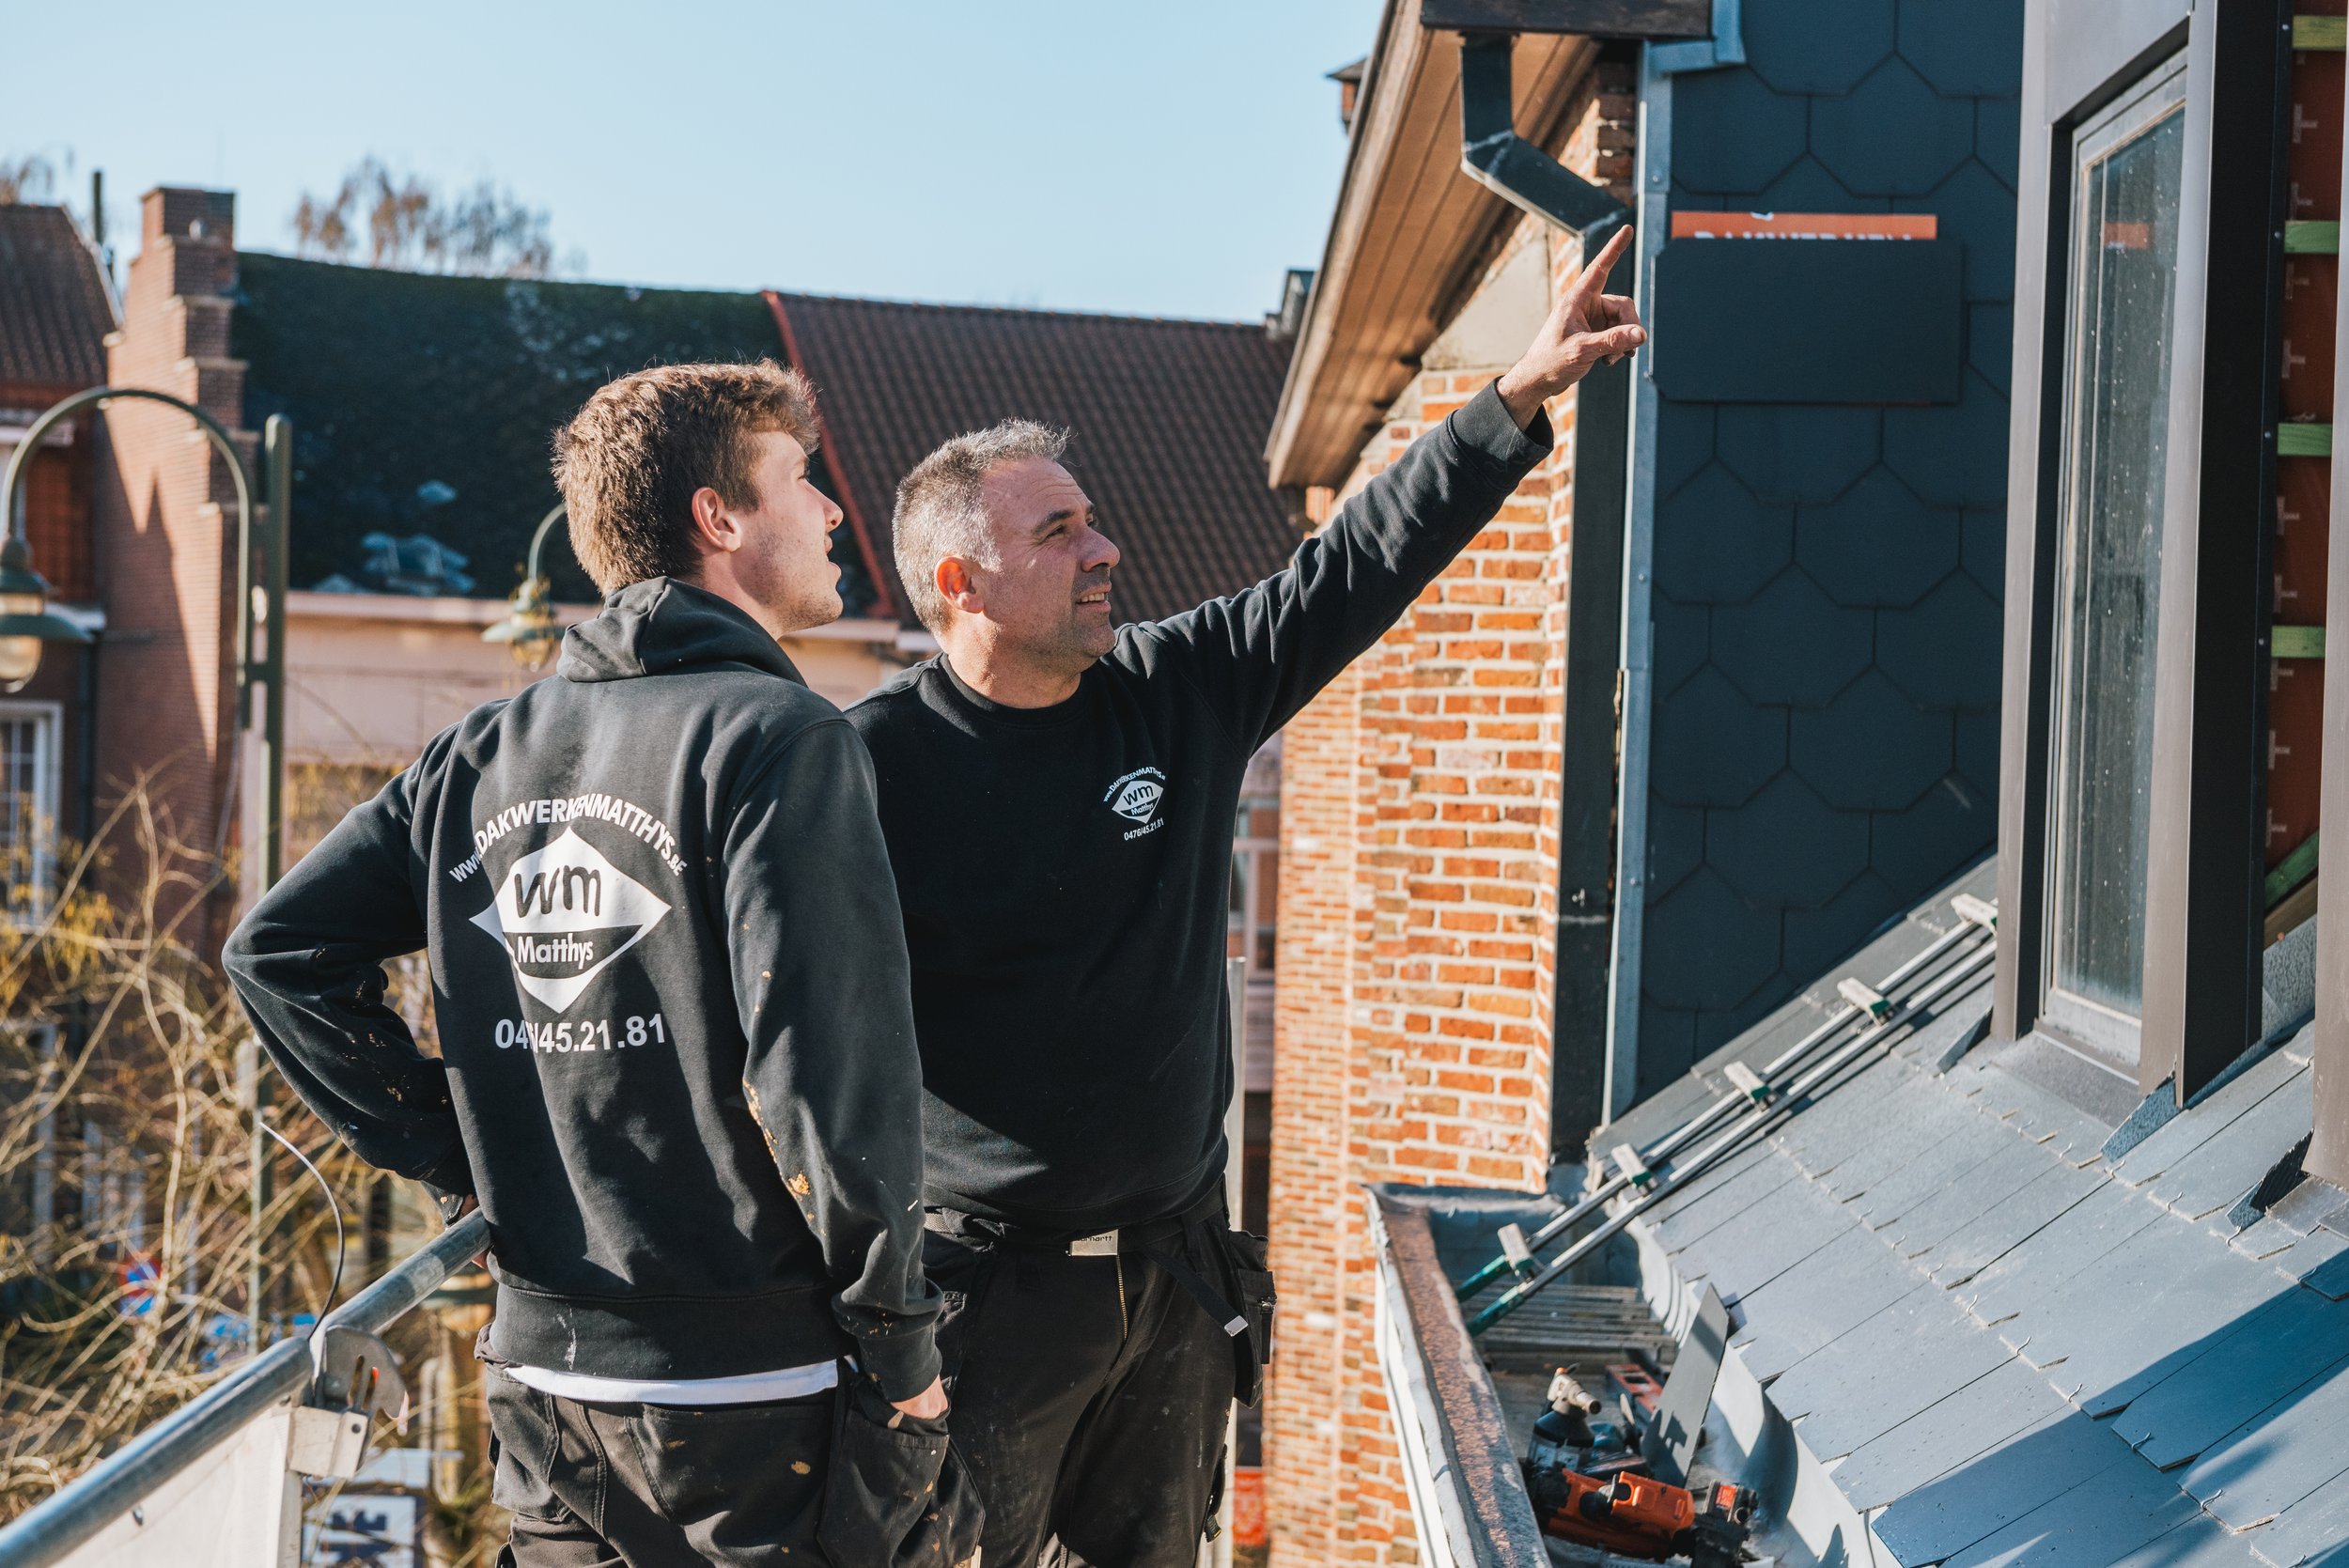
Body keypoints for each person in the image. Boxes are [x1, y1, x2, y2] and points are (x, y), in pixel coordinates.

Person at [847, 227, 1646, 1565]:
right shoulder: (867, 771)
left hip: (1174, 1276)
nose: (1108, 548)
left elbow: (1352, 568)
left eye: (1093, 517)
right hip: (986, 1299)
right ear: (960, 582)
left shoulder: (1178, 690)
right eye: (1063, 531)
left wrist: (1514, 396)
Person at [226, 361, 970, 1568]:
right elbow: (831, 1078)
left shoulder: (481, 751)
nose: (835, 511)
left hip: (542, 1387)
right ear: (718, 520)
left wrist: (463, 1148)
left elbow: (275, 952)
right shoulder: (777, 739)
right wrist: (904, 1358)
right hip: (752, 1399)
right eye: (803, 482)